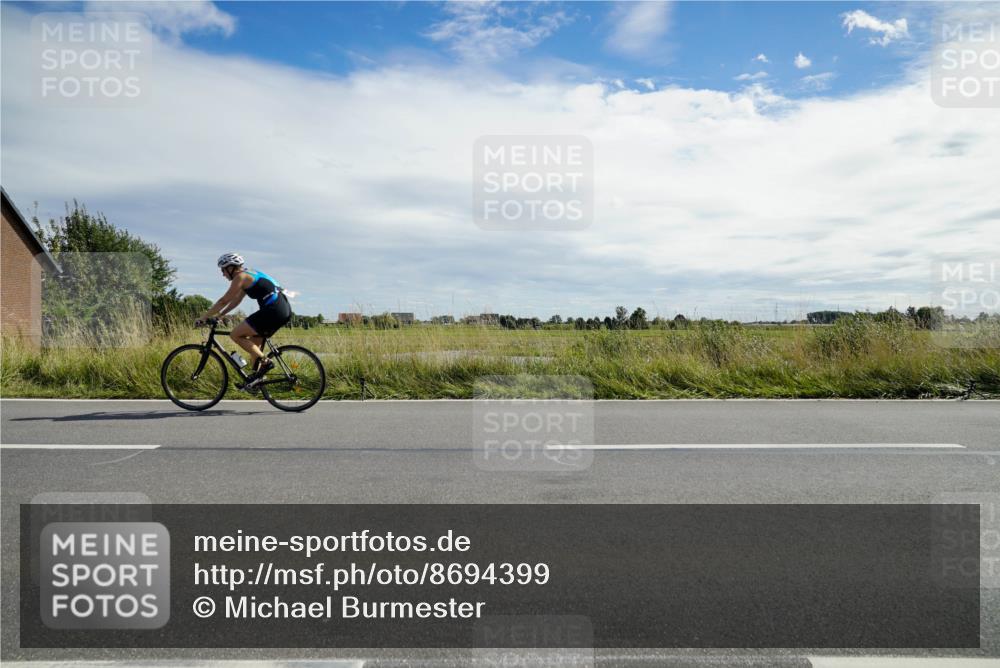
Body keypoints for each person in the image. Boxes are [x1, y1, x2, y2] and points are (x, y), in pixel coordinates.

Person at [198, 253, 292, 382]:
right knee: (254, 346)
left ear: (231, 268)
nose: (223, 274)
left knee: (235, 335)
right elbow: (236, 300)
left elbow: (223, 301)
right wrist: (220, 315)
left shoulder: (240, 277)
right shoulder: (249, 274)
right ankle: (256, 381)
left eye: (223, 270)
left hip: (273, 311)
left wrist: (203, 317)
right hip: (282, 310)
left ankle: (266, 362)